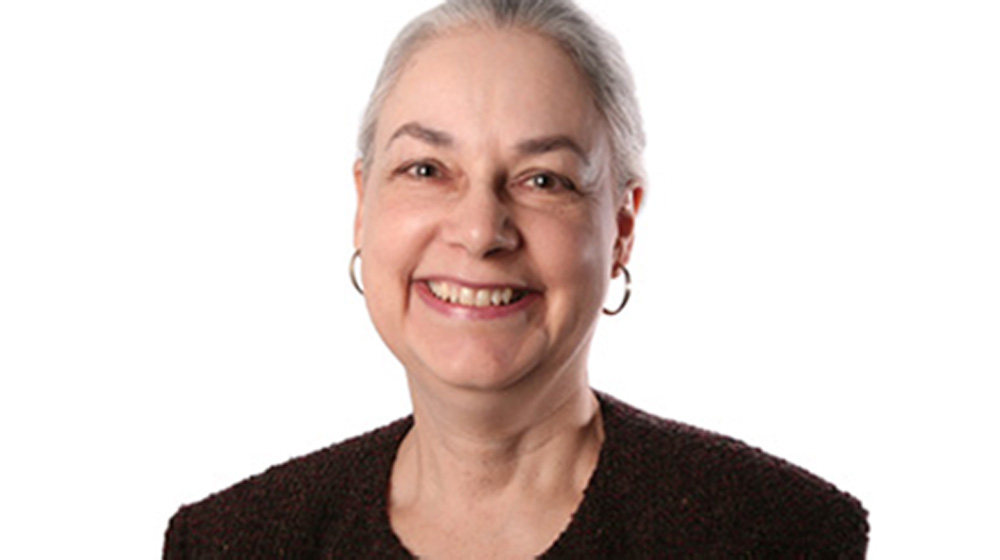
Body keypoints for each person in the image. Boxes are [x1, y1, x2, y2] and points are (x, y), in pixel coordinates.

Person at [163, 0, 868, 557]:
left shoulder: (774, 537)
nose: (479, 230)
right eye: (426, 170)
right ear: (361, 206)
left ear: (621, 228)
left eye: (543, 179)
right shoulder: (234, 543)